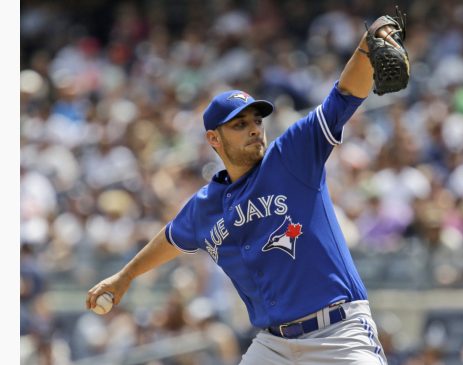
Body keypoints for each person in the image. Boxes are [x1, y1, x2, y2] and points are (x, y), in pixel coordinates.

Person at [87, 15, 404, 365]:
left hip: (338, 334)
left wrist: (365, 47)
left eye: (256, 120)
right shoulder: (206, 205)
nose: (254, 129)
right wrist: (125, 276)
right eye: (240, 124)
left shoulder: (291, 156)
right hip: (274, 345)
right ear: (214, 139)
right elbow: (171, 238)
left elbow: (343, 96)